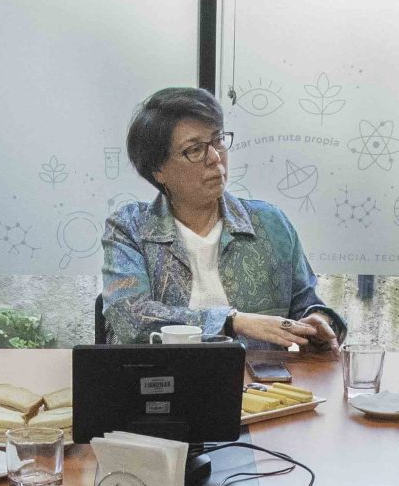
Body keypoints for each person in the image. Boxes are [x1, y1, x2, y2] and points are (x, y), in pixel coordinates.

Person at [100, 86, 344, 349]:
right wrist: (233, 321)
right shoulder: (131, 228)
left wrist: (319, 323)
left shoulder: (270, 223)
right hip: (164, 374)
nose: (215, 157)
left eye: (218, 140)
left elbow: (306, 304)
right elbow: (130, 319)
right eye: (195, 149)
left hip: (257, 376)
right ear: (158, 170)